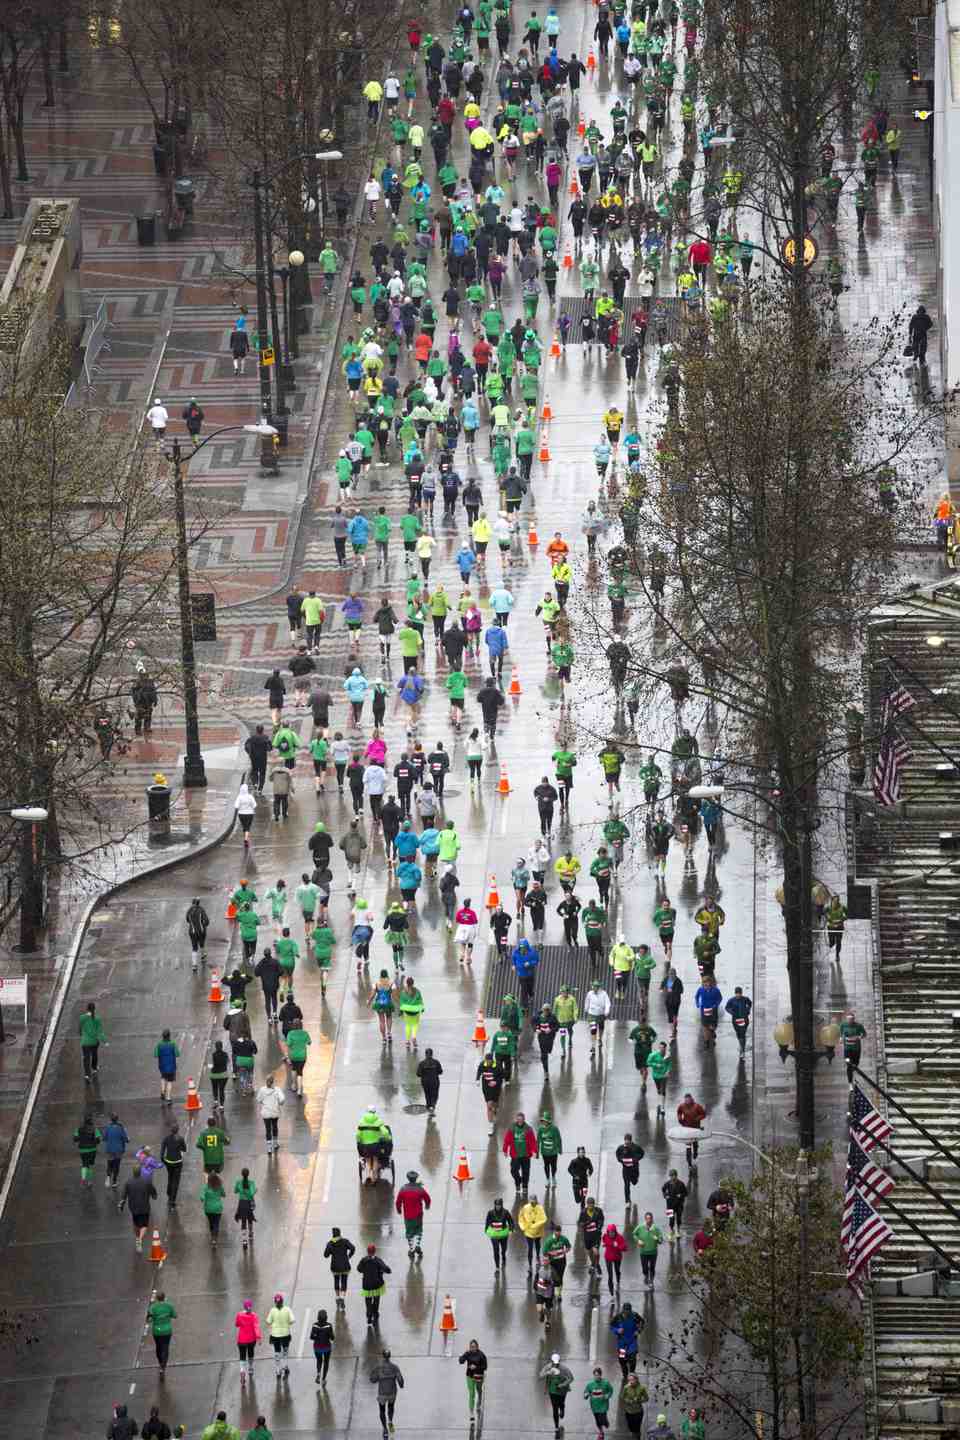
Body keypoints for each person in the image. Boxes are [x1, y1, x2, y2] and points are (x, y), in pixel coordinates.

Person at [118, 1162, 157, 1251]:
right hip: (144, 1207)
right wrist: (154, 1196)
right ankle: (140, 1238)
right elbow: (153, 1191)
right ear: (140, 1172)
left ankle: (137, 1237)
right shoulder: (146, 1181)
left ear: (133, 1172)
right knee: (144, 1226)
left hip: (133, 1208)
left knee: (136, 1224)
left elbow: (123, 1195)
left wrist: (121, 1204)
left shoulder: (128, 1182)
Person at [395, 1169, 431, 1258]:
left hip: (408, 1216)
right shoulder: (420, 1189)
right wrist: (427, 1206)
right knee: (418, 1231)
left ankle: (411, 1250)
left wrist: (399, 1210)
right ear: (416, 1179)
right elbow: (428, 1198)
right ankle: (417, 1246)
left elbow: (398, 1202)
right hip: (418, 1215)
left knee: (409, 1233)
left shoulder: (403, 1189)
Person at [370, 1348, 404, 1437]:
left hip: (382, 1393)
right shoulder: (395, 1367)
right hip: (392, 1392)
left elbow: (372, 1380)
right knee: (391, 1407)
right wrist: (401, 1385)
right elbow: (400, 1380)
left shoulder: (378, 1368)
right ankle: (390, 1421)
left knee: (382, 1410)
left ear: (383, 1356)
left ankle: (385, 1429)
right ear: (390, 1356)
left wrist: (378, 1377)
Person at [540, 1353, 575, 1437]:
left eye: (557, 1363)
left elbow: (571, 1378)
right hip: (552, 1391)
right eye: (553, 1362)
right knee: (555, 1408)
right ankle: (556, 1426)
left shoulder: (564, 1368)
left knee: (561, 1404)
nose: (555, 1364)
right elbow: (540, 1375)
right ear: (551, 1361)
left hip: (562, 1391)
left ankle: (562, 1409)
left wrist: (562, 1385)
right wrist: (547, 1373)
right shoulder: (548, 1367)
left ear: (559, 1361)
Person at [503, 1111, 538, 1192]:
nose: (520, 1121)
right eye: (518, 1120)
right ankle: (518, 1182)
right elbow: (506, 1140)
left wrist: (534, 1151)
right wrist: (505, 1150)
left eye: (521, 1120)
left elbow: (533, 1141)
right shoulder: (512, 1128)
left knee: (526, 1172)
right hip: (515, 1155)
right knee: (513, 1170)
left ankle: (525, 1186)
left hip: (526, 1155)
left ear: (524, 1120)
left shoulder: (528, 1129)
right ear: (516, 1120)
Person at [358, 1244, 391, 1326]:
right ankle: (375, 1313)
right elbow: (385, 1268)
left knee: (368, 1300)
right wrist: (388, 1270)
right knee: (376, 1300)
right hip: (377, 1284)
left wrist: (364, 1270)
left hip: (367, 1284)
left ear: (367, 1251)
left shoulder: (363, 1260)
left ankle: (369, 1315)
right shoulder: (378, 1260)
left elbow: (359, 1269)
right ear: (374, 1251)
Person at [324, 1227, 357, 1308]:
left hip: (335, 1266)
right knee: (344, 1281)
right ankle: (342, 1297)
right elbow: (353, 1248)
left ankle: (337, 1297)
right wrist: (349, 1256)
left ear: (333, 1234)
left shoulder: (330, 1243)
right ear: (340, 1233)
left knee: (336, 1280)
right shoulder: (345, 1241)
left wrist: (328, 1248)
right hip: (345, 1265)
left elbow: (326, 1255)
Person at [266, 1294, 295, 1378]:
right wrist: (287, 1324)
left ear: (275, 1302)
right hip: (285, 1334)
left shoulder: (272, 1310)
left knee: (277, 1352)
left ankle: (278, 1370)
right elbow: (292, 1320)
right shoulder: (287, 1309)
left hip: (275, 1335)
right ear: (282, 1301)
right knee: (285, 1351)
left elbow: (268, 1321)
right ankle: (285, 1367)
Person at [633, 1211, 664, 1288]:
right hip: (643, 1252)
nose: (648, 1220)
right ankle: (646, 1275)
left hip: (653, 1252)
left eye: (650, 1218)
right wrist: (638, 1240)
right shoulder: (640, 1227)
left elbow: (661, 1240)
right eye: (647, 1218)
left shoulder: (656, 1228)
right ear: (645, 1219)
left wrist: (657, 1239)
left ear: (652, 1219)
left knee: (652, 1267)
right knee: (644, 1268)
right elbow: (634, 1234)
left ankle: (651, 1281)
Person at [256, 1074, 285, 1154]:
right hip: (275, 1112)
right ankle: (275, 1143)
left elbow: (258, 1100)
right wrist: (279, 1103)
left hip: (266, 1113)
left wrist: (264, 1103)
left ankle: (269, 1148)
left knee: (267, 1129)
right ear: (273, 1082)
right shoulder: (277, 1090)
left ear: (266, 1082)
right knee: (275, 1127)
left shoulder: (262, 1090)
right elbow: (282, 1100)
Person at [519, 1192, 548, 1272]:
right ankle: (530, 1265)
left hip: (538, 1231)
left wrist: (535, 1225)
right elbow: (521, 1218)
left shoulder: (540, 1208)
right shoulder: (525, 1208)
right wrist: (523, 1227)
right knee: (530, 1248)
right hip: (529, 1232)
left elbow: (544, 1219)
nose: (532, 1202)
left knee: (538, 1245)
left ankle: (538, 1256)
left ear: (536, 1200)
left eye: (534, 1201)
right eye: (531, 1201)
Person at [458, 1338, 488, 1417]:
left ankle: (479, 1403)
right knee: (472, 1394)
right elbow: (461, 1361)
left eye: (474, 1346)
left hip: (479, 1376)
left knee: (479, 1391)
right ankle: (471, 1413)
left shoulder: (481, 1355)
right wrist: (462, 1357)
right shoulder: (468, 1353)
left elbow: (485, 1367)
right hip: (470, 1376)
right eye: (471, 1347)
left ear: (477, 1347)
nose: (472, 1348)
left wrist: (476, 1367)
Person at [485, 1196, 515, 1269]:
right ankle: (497, 1266)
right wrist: (486, 1230)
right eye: (496, 1205)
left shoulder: (506, 1212)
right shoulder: (490, 1212)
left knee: (504, 1248)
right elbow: (487, 1221)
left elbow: (511, 1221)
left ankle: (503, 1255)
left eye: (499, 1205)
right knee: (496, 1250)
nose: (498, 1206)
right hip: (494, 1234)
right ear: (494, 1205)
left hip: (503, 1234)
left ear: (502, 1205)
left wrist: (511, 1229)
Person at [160, 1121, 186, 1206]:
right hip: (178, 1162)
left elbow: (162, 1152)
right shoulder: (181, 1139)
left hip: (169, 1162)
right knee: (176, 1181)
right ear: (178, 1130)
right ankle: (172, 1199)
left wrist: (163, 1160)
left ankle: (168, 1192)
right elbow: (184, 1149)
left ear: (171, 1130)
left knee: (170, 1177)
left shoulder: (166, 1139)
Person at [616, 1133, 645, 1207]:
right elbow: (617, 1154)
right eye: (625, 1140)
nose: (626, 1142)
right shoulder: (621, 1148)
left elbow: (642, 1153)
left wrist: (636, 1159)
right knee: (626, 1184)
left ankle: (635, 1180)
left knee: (634, 1182)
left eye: (628, 1140)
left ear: (630, 1141)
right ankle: (627, 1200)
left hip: (634, 1169)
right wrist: (620, 1160)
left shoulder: (636, 1147)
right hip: (625, 1169)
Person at [584, 1367, 614, 1437]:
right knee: (597, 1420)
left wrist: (607, 1396)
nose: (596, 1377)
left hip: (603, 1405)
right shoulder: (590, 1384)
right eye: (595, 1375)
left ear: (601, 1375)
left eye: (598, 1375)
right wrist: (586, 1395)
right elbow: (586, 1392)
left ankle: (605, 1422)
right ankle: (601, 1431)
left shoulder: (606, 1383)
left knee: (602, 1418)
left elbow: (610, 1390)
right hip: (594, 1406)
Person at [235, 1299, 261, 1381]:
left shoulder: (239, 1314)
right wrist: (259, 1338)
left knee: (242, 1356)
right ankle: (250, 1368)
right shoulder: (254, 1316)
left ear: (244, 1307)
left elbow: (237, 1324)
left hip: (241, 1340)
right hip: (251, 1340)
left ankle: (242, 1371)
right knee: (250, 1353)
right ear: (251, 1307)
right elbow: (256, 1327)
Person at [677, 1093, 706, 1165]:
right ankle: (689, 1161)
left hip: (695, 1127)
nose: (687, 1101)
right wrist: (680, 1118)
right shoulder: (682, 1106)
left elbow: (703, 1114)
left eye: (688, 1099)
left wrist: (697, 1118)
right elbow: (679, 1112)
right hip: (686, 1128)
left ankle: (695, 1151)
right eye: (685, 1099)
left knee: (695, 1142)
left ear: (691, 1099)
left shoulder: (697, 1106)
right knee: (688, 1144)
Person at [477, 1052, 503, 1134]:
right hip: (486, 1088)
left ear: (492, 1061)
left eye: (489, 1061)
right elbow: (479, 1072)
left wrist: (496, 1082)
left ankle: (495, 1110)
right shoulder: (482, 1064)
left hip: (495, 1088)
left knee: (495, 1104)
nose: (487, 1063)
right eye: (486, 1061)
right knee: (489, 1105)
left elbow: (502, 1075)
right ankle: (490, 1125)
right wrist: (477, 1079)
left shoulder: (497, 1065)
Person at [80, 1001, 105, 1080]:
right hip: (94, 1041)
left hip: (85, 1042)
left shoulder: (82, 1017)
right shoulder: (97, 1018)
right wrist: (104, 1041)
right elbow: (100, 1032)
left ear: (87, 1009)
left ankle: (87, 1074)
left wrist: (82, 1035)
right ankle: (94, 1068)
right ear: (94, 1009)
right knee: (94, 1054)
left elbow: (80, 1029)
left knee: (86, 1058)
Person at [103, 1112, 129, 1189]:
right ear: (117, 1119)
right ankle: (114, 1181)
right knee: (116, 1165)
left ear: (111, 1120)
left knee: (109, 1164)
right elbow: (126, 1139)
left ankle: (108, 1177)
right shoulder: (120, 1128)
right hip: (118, 1150)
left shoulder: (107, 1128)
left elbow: (104, 1138)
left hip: (110, 1149)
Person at [579, 1196, 604, 1273]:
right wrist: (586, 1223)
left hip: (596, 1235)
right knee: (589, 1251)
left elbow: (601, 1219)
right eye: (589, 1204)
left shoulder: (598, 1211)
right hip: (587, 1235)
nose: (590, 1206)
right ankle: (593, 1264)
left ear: (594, 1204)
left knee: (596, 1251)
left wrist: (599, 1227)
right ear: (587, 1204)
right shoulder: (583, 1212)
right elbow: (580, 1223)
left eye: (592, 1204)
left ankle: (596, 1265)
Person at [840, 1010, 867, 1082]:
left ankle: (853, 1075)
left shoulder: (859, 1025)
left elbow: (864, 1034)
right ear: (846, 1019)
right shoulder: (843, 1025)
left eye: (851, 1019)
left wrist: (858, 1037)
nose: (850, 1021)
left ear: (854, 1019)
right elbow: (841, 1034)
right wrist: (841, 1039)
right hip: (847, 1049)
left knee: (855, 1064)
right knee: (848, 1063)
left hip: (856, 1049)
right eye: (848, 1019)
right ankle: (850, 1083)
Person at [725, 987, 753, 1054]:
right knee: (738, 1034)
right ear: (735, 993)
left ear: (741, 993)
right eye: (737, 993)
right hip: (735, 1020)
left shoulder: (745, 999)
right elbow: (727, 1007)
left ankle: (742, 1049)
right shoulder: (731, 1000)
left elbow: (750, 1003)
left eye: (739, 993)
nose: (738, 995)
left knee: (742, 1034)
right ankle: (741, 1044)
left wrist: (748, 1010)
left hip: (744, 1019)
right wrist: (732, 1012)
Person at [311, 1308, 334, 1385]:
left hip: (317, 1347)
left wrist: (317, 1336)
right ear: (326, 1317)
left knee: (319, 1361)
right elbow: (332, 1338)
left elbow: (311, 1337)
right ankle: (323, 1379)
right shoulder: (329, 1325)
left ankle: (318, 1374)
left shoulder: (314, 1325)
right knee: (326, 1362)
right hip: (326, 1347)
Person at [185, 897, 210, 970]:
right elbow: (207, 921)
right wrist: (203, 925)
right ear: (199, 903)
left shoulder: (189, 910)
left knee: (194, 948)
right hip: (201, 931)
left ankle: (194, 965)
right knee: (202, 944)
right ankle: (203, 956)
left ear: (192, 903)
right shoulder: (201, 909)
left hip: (192, 932)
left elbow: (187, 920)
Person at [234, 1168, 256, 1247]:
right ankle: (250, 1233)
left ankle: (244, 1240)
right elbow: (252, 1192)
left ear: (242, 1174)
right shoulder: (252, 1183)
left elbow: (235, 1191)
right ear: (248, 1174)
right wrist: (254, 1191)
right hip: (249, 1203)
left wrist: (240, 1190)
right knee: (250, 1218)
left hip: (241, 1203)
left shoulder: (238, 1182)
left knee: (243, 1221)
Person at [603, 1224, 628, 1295]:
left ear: (615, 1231)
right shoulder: (605, 1236)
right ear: (608, 1232)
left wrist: (618, 1246)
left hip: (617, 1257)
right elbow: (605, 1240)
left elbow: (625, 1248)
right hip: (608, 1258)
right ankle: (611, 1293)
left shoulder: (619, 1237)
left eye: (613, 1232)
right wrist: (610, 1243)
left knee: (617, 1271)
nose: (611, 1234)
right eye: (610, 1232)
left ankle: (618, 1281)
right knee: (610, 1275)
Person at [825, 894, 848, 961]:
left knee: (838, 941)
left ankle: (837, 955)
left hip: (839, 927)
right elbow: (824, 912)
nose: (836, 902)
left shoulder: (842, 907)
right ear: (832, 901)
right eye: (835, 901)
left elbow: (848, 914)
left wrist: (842, 919)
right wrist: (828, 918)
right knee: (832, 943)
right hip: (831, 927)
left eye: (837, 900)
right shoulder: (828, 907)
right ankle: (831, 944)